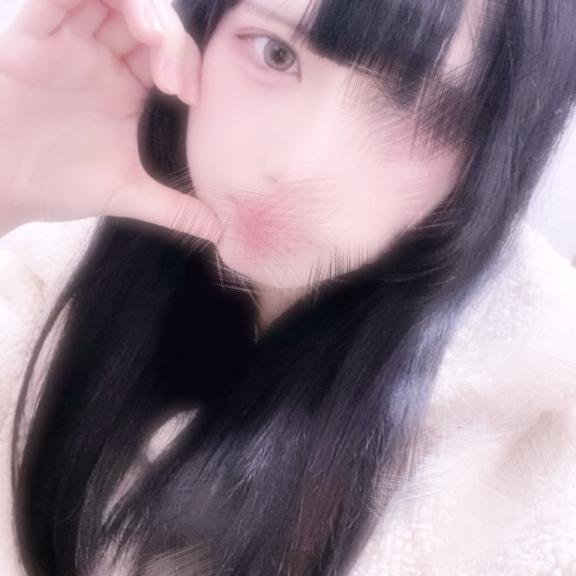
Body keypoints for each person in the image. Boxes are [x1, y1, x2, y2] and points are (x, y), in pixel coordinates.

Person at [0, 0, 576, 575]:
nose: (297, 164)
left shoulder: (539, 430)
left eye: (414, 102)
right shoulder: (45, 259)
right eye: (274, 53)